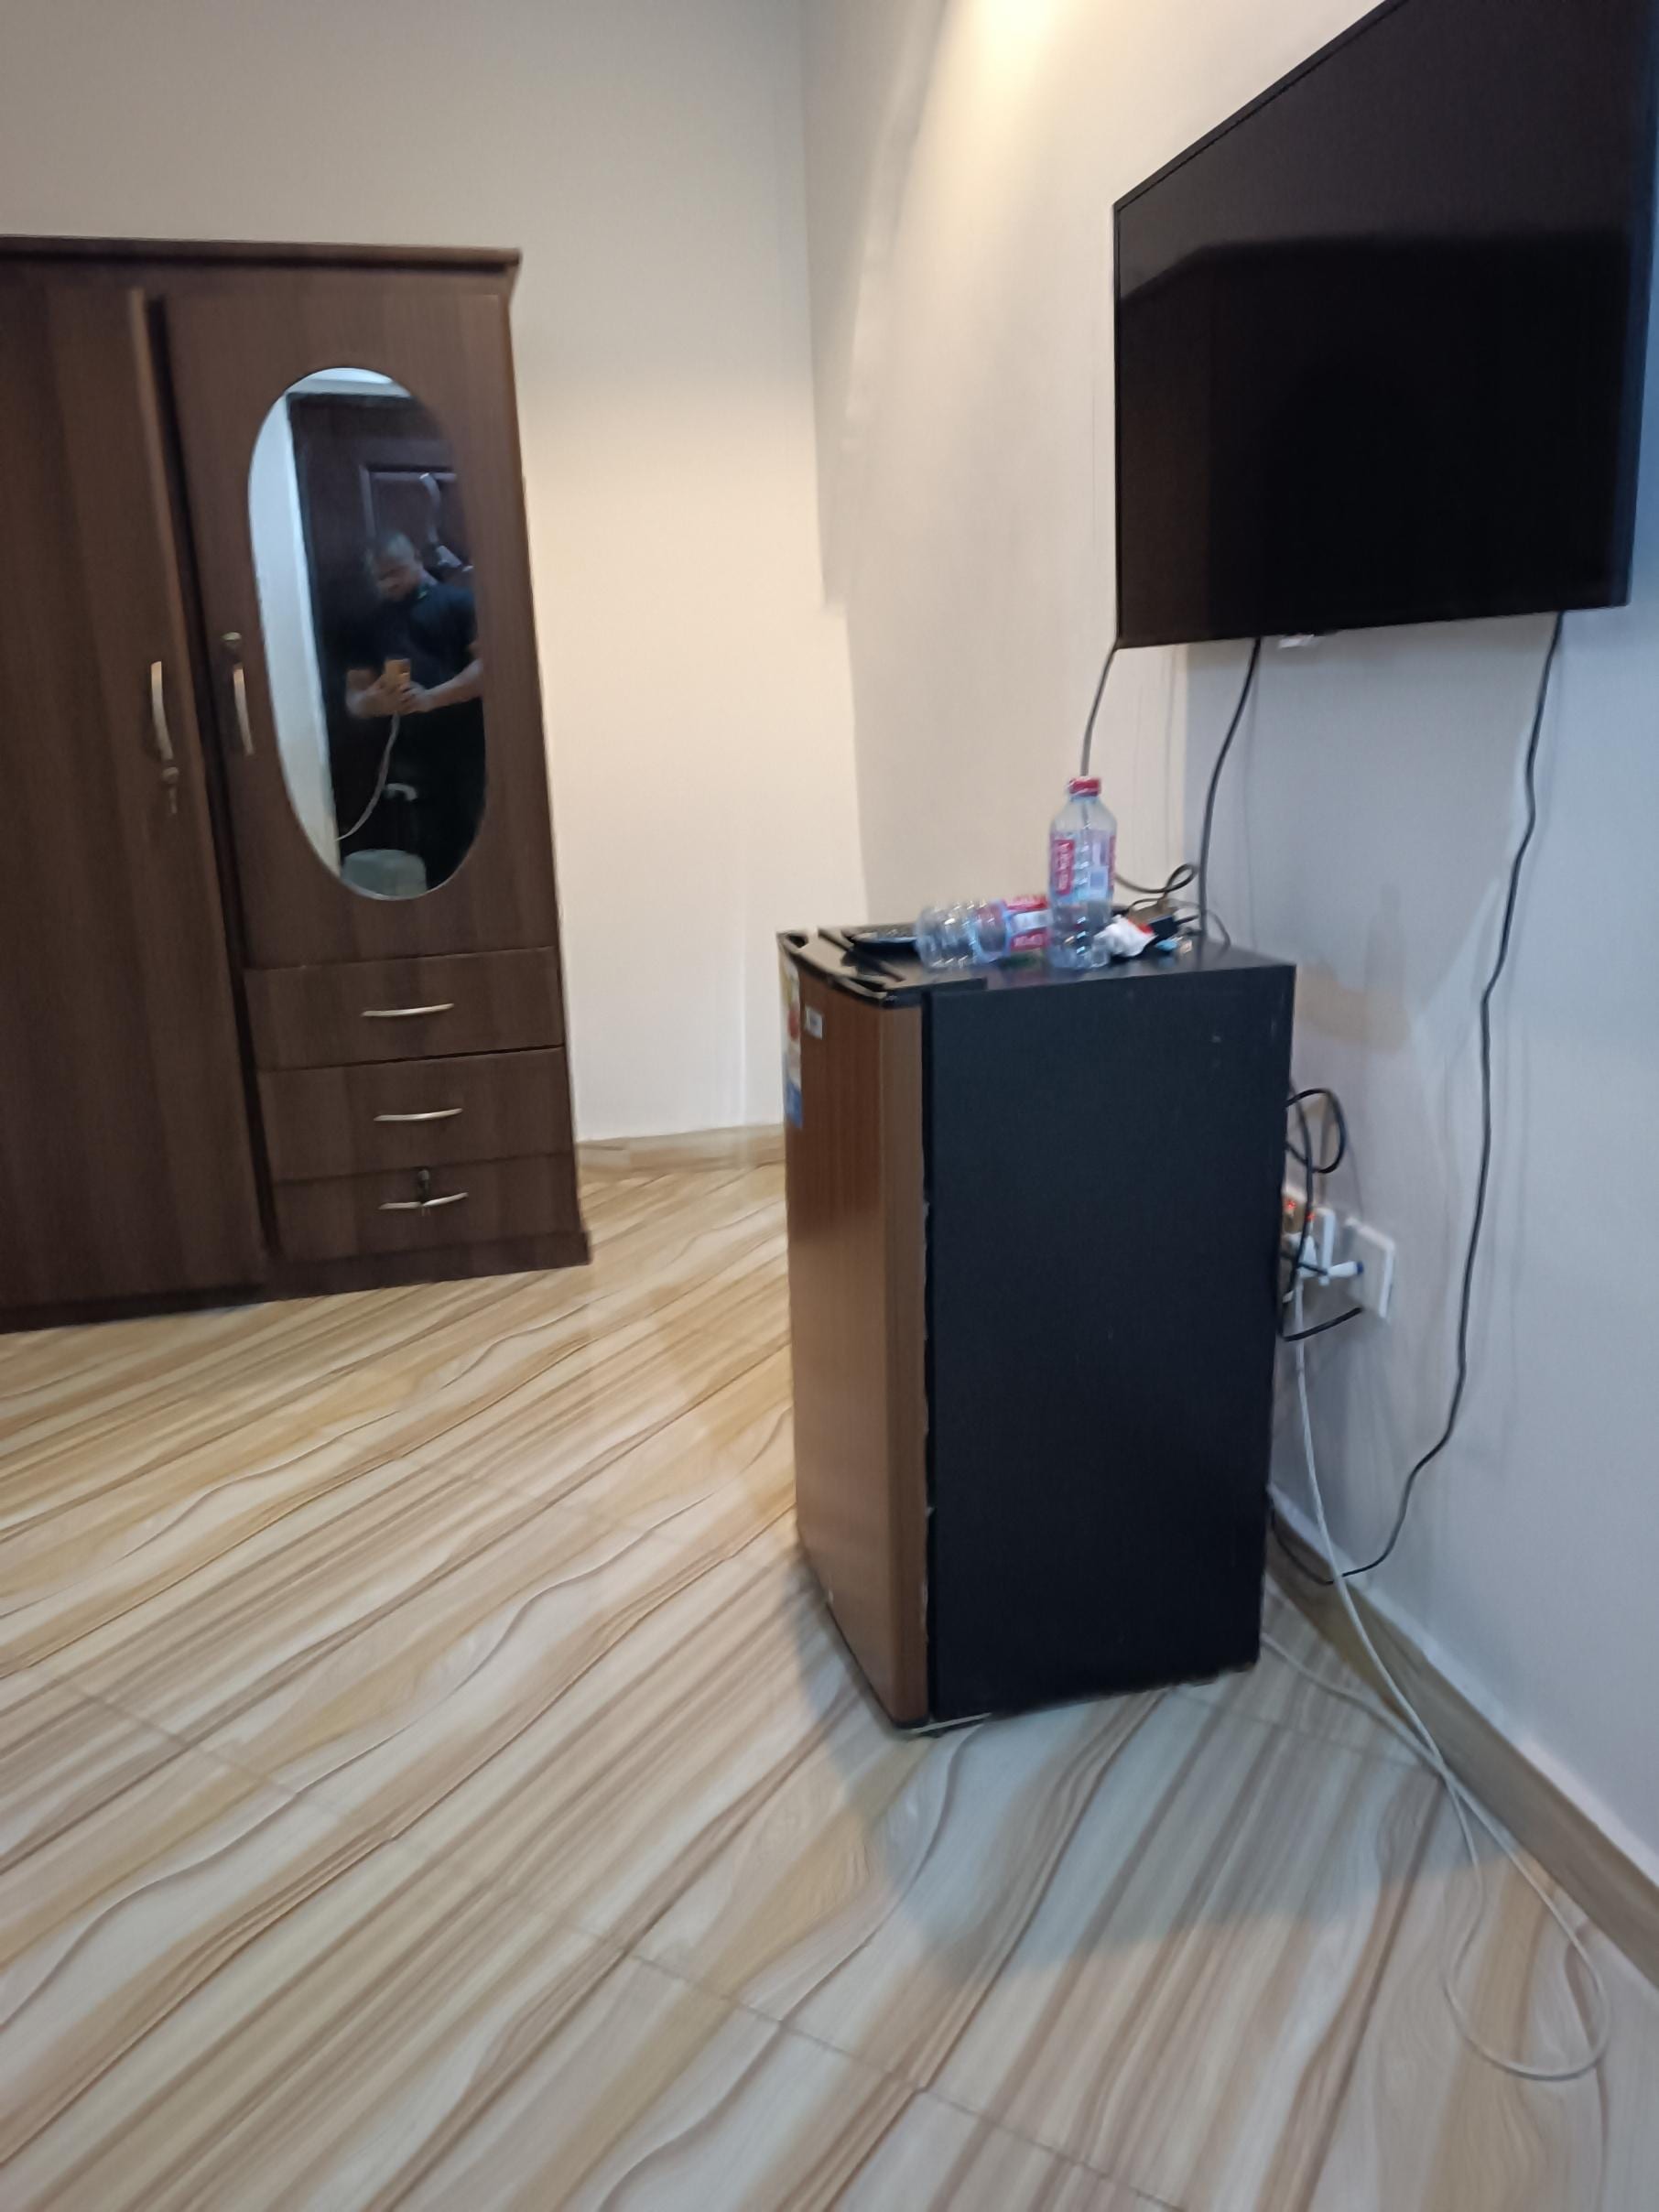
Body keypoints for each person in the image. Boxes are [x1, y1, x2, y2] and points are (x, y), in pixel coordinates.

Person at [343, 532, 485, 884]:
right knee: (432, 852)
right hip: (415, 756)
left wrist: (432, 698)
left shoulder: (459, 603)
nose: (389, 583)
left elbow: (488, 669)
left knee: (480, 841)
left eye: (396, 572)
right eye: (380, 577)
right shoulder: (373, 623)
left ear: (418, 561)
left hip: (472, 746)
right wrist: (371, 703)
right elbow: (354, 697)